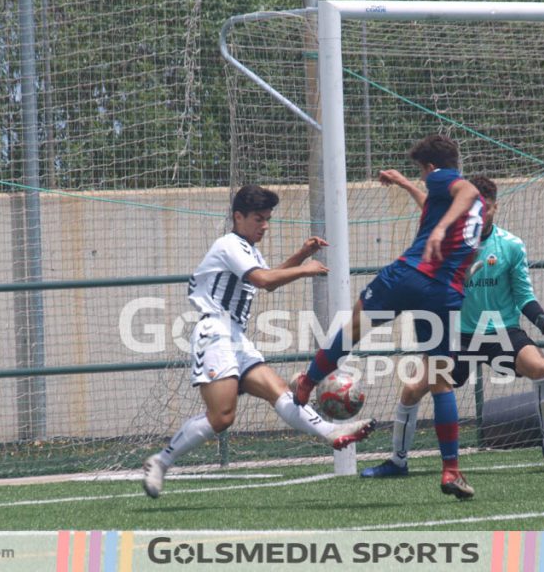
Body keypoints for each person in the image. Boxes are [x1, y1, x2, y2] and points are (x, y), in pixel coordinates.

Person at [142, 185, 375, 499]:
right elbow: (264, 280)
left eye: (267, 219)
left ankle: (332, 432)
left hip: (236, 336)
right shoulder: (228, 244)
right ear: (238, 217)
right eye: (258, 219)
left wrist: (302, 255)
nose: (264, 225)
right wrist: (305, 270)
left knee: (280, 392)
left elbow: (266, 277)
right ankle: (161, 461)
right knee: (222, 417)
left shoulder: (247, 247)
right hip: (214, 334)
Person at [292, 134, 483, 499]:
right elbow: (441, 203)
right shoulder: (462, 205)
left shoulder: (446, 178)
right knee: (440, 379)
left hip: (411, 274)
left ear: (432, 167)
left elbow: (467, 190)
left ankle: (308, 381)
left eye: (420, 173)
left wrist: (439, 229)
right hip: (444, 293)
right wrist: (406, 184)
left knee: (355, 328)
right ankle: (451, 471)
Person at [363, 174, 544, 478]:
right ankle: (397, 462)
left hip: (501, 331)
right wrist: (403, 182)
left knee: (542, 369)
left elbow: (524, 296)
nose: (482, 213)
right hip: (456, 335)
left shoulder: (511, 246)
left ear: (494, 207)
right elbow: (427, 207)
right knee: (412, 389)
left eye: (487, 207)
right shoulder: (452, 242)